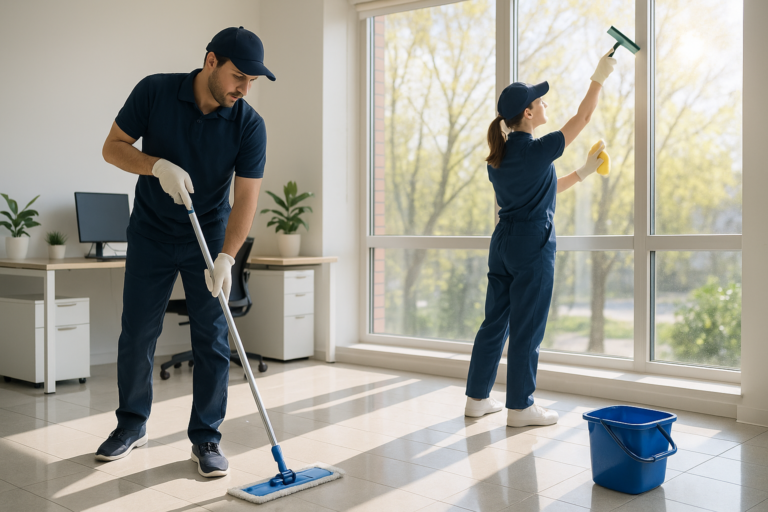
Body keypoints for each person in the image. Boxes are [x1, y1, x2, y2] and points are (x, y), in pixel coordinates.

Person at [96, 26, 275, 477]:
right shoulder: (155, 91)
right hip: (151, 232)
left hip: (208, 236)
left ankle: (207, 439)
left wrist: (228, 257)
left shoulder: (249, 125)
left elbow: (247, 197)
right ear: (210, 61)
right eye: (238, 76)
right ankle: (131, 426)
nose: (244, 88)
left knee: (212, 339)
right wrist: (155, 165)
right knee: (137, 333)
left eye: (252, 81)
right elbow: (112, 148)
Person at [464, 48, 616, 427]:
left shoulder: (498, 160)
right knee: (527, 326)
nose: (545, 102)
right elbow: (583, 117)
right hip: (532, 244)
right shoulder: (538, 149)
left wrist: (583, 171)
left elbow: (540, 191)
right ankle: (520, 407)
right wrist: (599, 76)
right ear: (528, 113)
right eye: (540, 100)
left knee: (494, 323)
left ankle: (477, 399)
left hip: (502, 244)